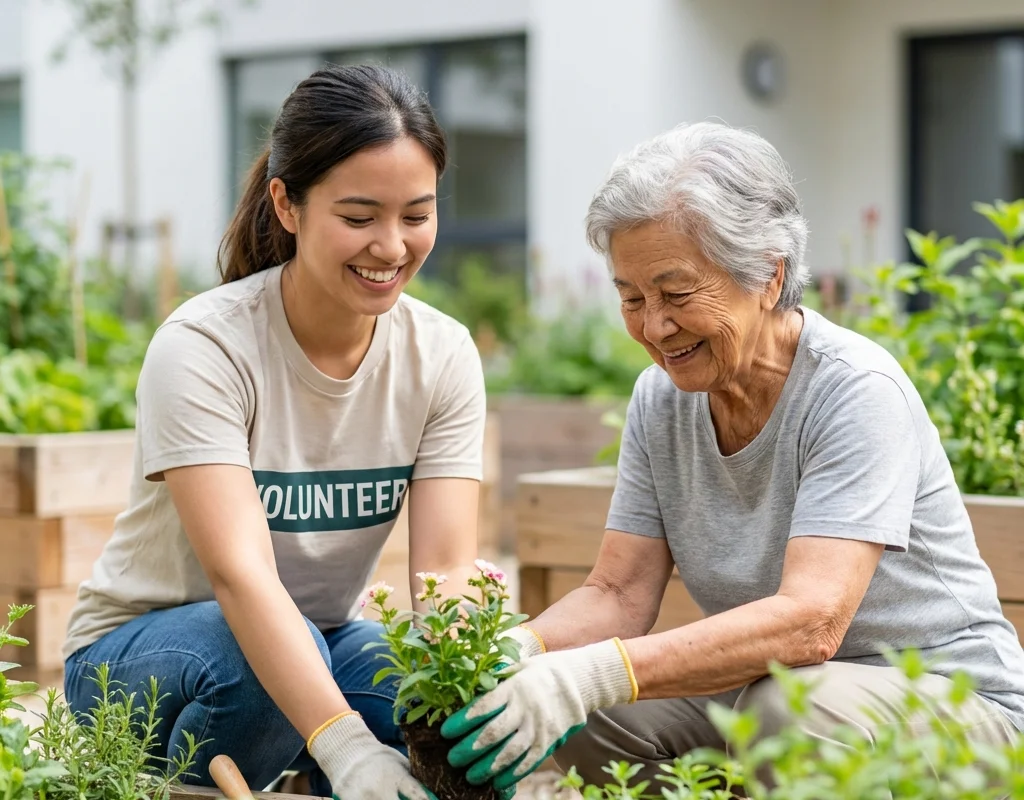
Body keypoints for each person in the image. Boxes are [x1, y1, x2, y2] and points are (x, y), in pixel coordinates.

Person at [437, 121, 1024, 794]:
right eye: (632, 298)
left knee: (788, 714)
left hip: (955, 706)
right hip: (779, 689)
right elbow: (618, 592)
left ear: (768, 276)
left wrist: (595, 671)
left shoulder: (855, 390)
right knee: (584, 722)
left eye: (677, 293)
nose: (654, 327)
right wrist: (525, 653)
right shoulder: (661, 401)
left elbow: (812, 622)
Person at [61, 63, 517, 800]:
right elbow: (240, 576)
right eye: (360, 217)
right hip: (137, 658)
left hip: (318, 639)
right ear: (288, 204)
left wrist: (474, 693)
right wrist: (344, 748)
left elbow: (447, 574)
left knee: (432, 705)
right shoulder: (206, 346)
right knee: (273, 671)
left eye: (416, 214)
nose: (392, 247)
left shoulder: (441, 354)